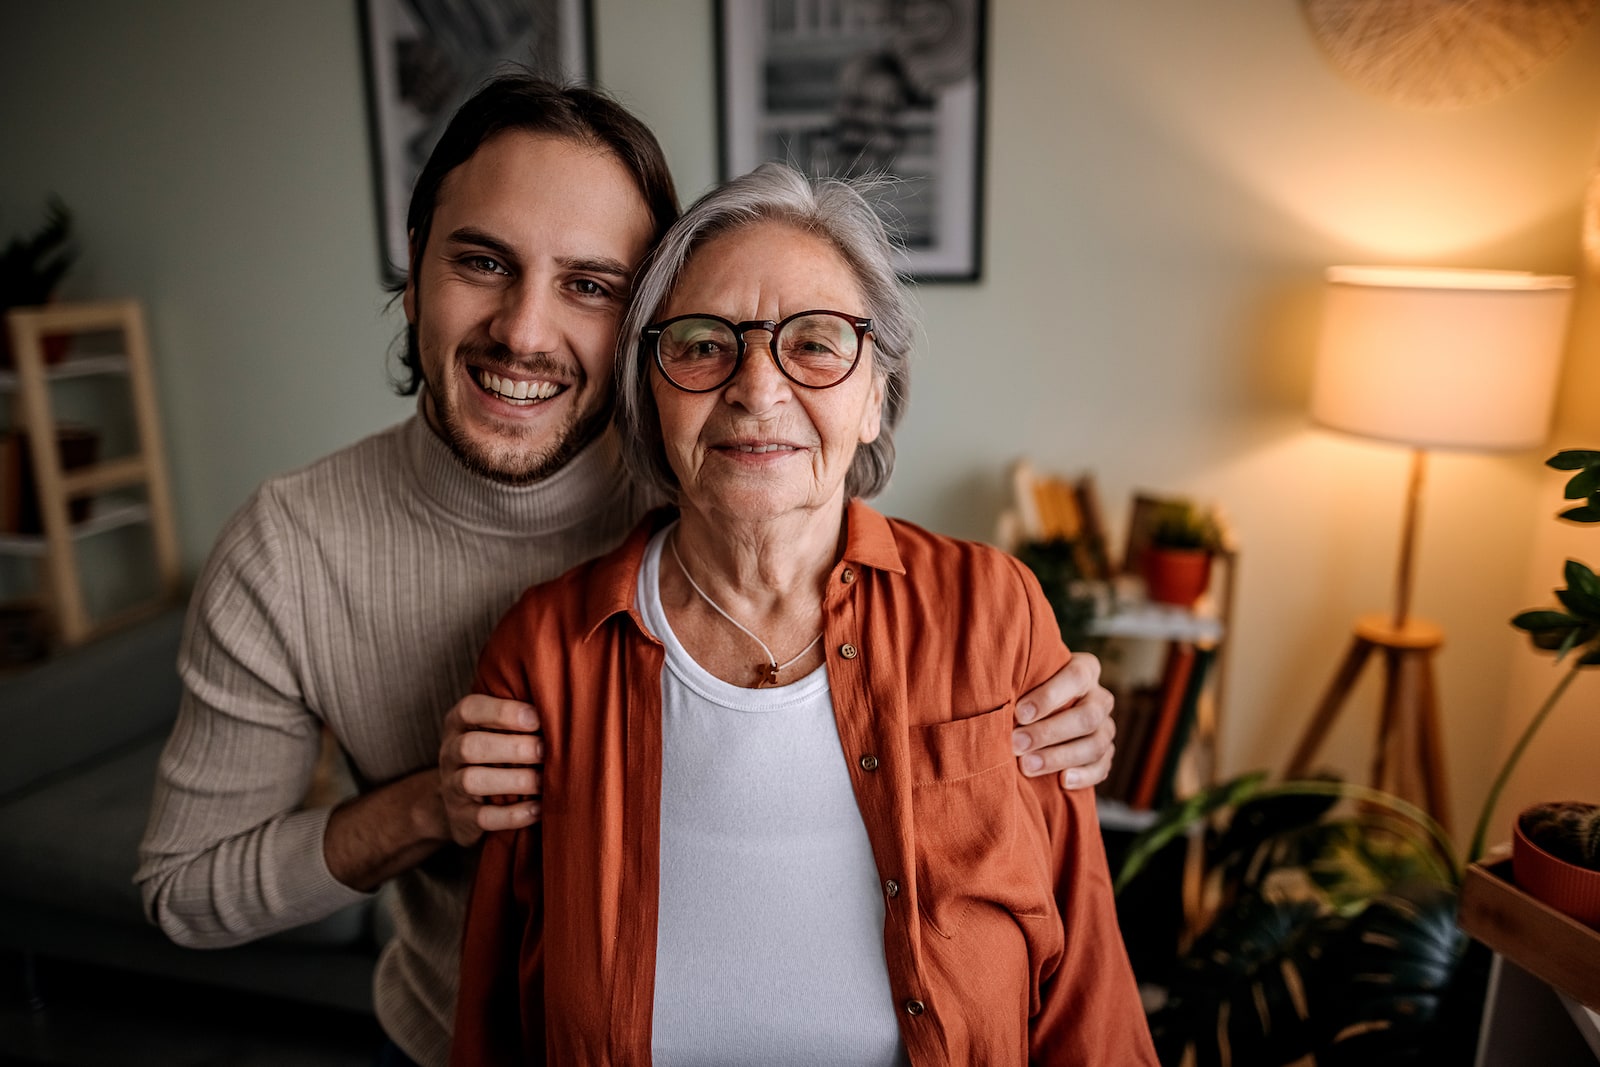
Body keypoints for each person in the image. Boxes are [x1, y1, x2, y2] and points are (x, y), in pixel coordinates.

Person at [135, 75, 1116, 1067]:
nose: (523, 330)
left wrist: (1025, 679)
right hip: (462, 1026)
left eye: (590, 285)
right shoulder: (301, 550)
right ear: (413, 269)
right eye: (480, 261)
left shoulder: (738, 480)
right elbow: (184, 893)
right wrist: (430, 804)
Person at [452, 162, 1155, 1065]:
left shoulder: (994, 613)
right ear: (651, 390)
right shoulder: (545, 652)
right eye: (704, 344)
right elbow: (495, 1025)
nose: (756, 386)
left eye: (816, 343)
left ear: (873, 396)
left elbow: (1086, 992)